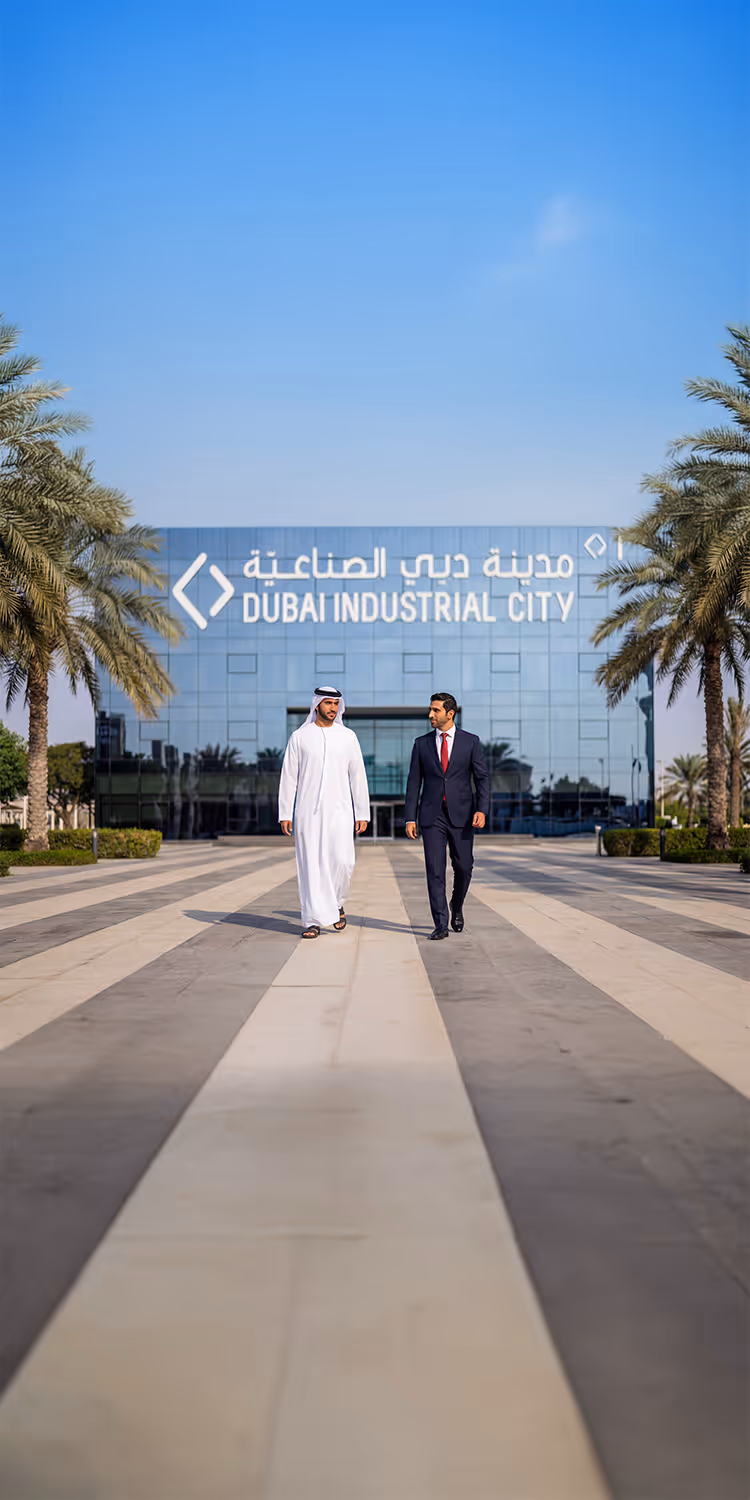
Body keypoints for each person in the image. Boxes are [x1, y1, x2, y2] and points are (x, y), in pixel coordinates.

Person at [279, 687, 370, 939]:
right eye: (327, 703)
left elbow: (358, 776)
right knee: (310, 865)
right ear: (316, 705)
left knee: (343, 861)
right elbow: (289, 777)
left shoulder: (348, 736)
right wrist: (285, 811)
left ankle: (337, 902)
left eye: (335, 703)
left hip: (341, 811)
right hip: (307, 812)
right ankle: (312, 921)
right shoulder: (300, 737)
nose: (332, 708)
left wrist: (362, 812)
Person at [404, 692, 489, 940]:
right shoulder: (421, 744)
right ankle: (440, 924)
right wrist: (410, 817)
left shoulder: (470, 742)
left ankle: (457, 904)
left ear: (450, 713)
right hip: (432, 817)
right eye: (430, 710)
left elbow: (482, 778)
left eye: (436, 710)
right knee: (435, 870)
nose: (430, 714)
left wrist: (482, 809)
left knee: (464, 867)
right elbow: (413, 783)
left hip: (462, 816)